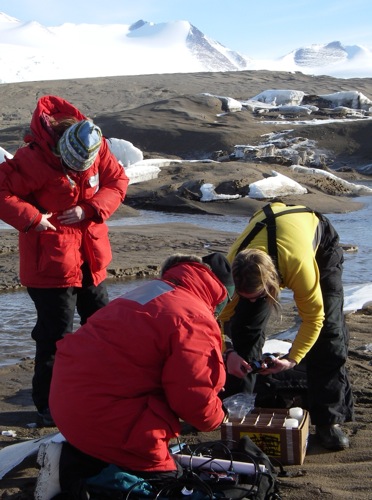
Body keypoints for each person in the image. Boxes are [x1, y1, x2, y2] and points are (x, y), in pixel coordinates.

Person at [34, 253, 233, 499]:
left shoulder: (150, 291)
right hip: (106, 418)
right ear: (221, 293)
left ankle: (75, 458)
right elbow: (194, 399)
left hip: (66, 406)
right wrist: (219, 417)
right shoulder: (195, 318)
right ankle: (75, 474)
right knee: (170, 485)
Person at [0, 95, 129, 426]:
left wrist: (89, 209)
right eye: (72, 168)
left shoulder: (94, 144)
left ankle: (98, 391)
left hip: (91, 258)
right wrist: (31, 218)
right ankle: (48, 407)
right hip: (50, 264)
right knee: (54, 337)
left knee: (103, 327)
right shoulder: (32, 159)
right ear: (60, 150)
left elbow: (117, 182)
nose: (79, 172)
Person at [219, 201, 354, 451]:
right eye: (243, 295)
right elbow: (216, 319)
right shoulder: (231, 270)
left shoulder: (298, 267)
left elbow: (314, 318)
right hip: (267, 226)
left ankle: (329, 421)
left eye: (257, 295)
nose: (250, 300)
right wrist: (230, 351)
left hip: (318, 239)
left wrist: (292, 359)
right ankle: (238, 405)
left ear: (273, 284)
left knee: (330, 333)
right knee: (241, 328)